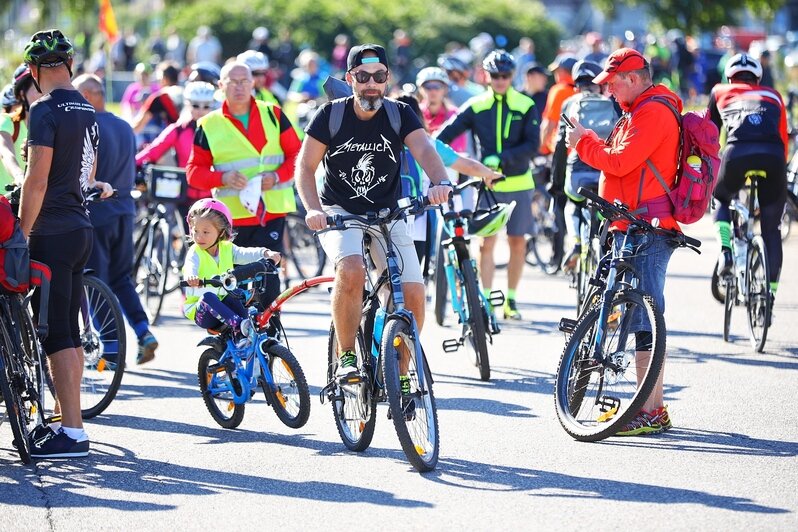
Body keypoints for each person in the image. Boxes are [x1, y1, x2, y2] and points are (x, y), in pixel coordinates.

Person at [295, 44, 452, 405]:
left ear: (387, 79)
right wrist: (313, 209)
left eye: (378, 77)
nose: (370, 85)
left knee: (412, 293)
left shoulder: (400, 114)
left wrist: (440, 182)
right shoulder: (329, 116)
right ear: (350, 79)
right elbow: (304, 167)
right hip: (338, 213)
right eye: (362, 77)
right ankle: (347, 357)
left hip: (388, 214)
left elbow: (425, 151)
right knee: (350, 270)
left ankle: (401, 373)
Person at [566, 47, 682, 436]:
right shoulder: (639, 110)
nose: (610, 93)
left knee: (647, 319)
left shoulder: (652, 112)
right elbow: (620, 157)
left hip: (647, 225)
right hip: (632, 223)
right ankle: (651, 408)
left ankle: (648, 411)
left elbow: (618, 162)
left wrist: (583, 142)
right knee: (641, 317)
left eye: (613, 84)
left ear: (633, 78)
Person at [18, 29, 113, 458]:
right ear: (69, 66)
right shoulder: (88, 110)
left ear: (35, 71)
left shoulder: (43, 109)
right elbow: (87, 172)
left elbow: (36, 181)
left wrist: (20, 234)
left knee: (57, 334)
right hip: (81, 227)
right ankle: (66, 420)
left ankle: (73, 433)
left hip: (52, 231)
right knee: (69, 333)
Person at [437, 49, 539, 320]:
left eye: (505, 75)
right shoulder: (476, 104)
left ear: (512, 76)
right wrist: (423, 144)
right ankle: (485, 297)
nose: (500, 80)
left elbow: (533, 145)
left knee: (517, 243)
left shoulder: (526, 104)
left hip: (518, 182)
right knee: (486, 244)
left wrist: (502, 157)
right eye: (495, 75)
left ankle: (511, 300)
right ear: (487, 76)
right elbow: (445, 134)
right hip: (488, 186)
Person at [187, 61, 301, 283]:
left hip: (271, 214)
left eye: (244, 81)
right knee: (234, 287)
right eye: (233, 82)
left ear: (253, 84)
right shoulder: (208, 124)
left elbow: (298, 156)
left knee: (268, 283)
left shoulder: (273, 114)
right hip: (230, 219)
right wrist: (223, 178)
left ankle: (271, 319)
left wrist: (276, 176)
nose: (239, 87)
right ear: (221, 85)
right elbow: (193, 173)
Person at [73, 73, 160, 365]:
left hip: (97, 213)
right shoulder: (125, 127)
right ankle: (142, 330)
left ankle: (110, 350)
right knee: (122, 278)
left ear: (87, 96)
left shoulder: (87, 125)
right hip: (125, 212)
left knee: (96, 280)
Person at [709, 53, 787, 305]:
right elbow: (783, 138)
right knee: (771, 230)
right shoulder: (774, 95)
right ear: (758, 78)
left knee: (720, 197)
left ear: (730, 77)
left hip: (736, 154)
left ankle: (726, 251)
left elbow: (709, 134)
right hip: (773, 156)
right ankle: (770, 293)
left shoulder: (719, 91)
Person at [554, 60, 620, 272]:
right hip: (604, 166)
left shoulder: (569, 103)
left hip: (578, 168)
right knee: (604, 209)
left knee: (572, 202)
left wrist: (556, 181)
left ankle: (575, 242)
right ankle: (604, 249)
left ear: (576, 85)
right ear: (599, 84)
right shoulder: (612, 103)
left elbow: (559, 146)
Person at [182, 198, 280, 335]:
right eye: (195, 230)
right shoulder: (195, 252)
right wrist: (191, 277)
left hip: (224, 305)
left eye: (205, 232)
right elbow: (190, 266)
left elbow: (245, 253)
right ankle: (240, 326)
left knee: (238, 294)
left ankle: (249, 331)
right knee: (208, 297)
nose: (199, 237)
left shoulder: (227, 248)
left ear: (221, 232)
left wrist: (265, 253)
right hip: (202, 311)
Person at [136, 81, 217, 218]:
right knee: (188, 237)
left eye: (206, 106)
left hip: (214, 195)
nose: (201, 110)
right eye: (196, 105)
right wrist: (131, 164)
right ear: (187, 104)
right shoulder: (179, 130)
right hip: (185, 196)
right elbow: (154, 150)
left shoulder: (220, 130)